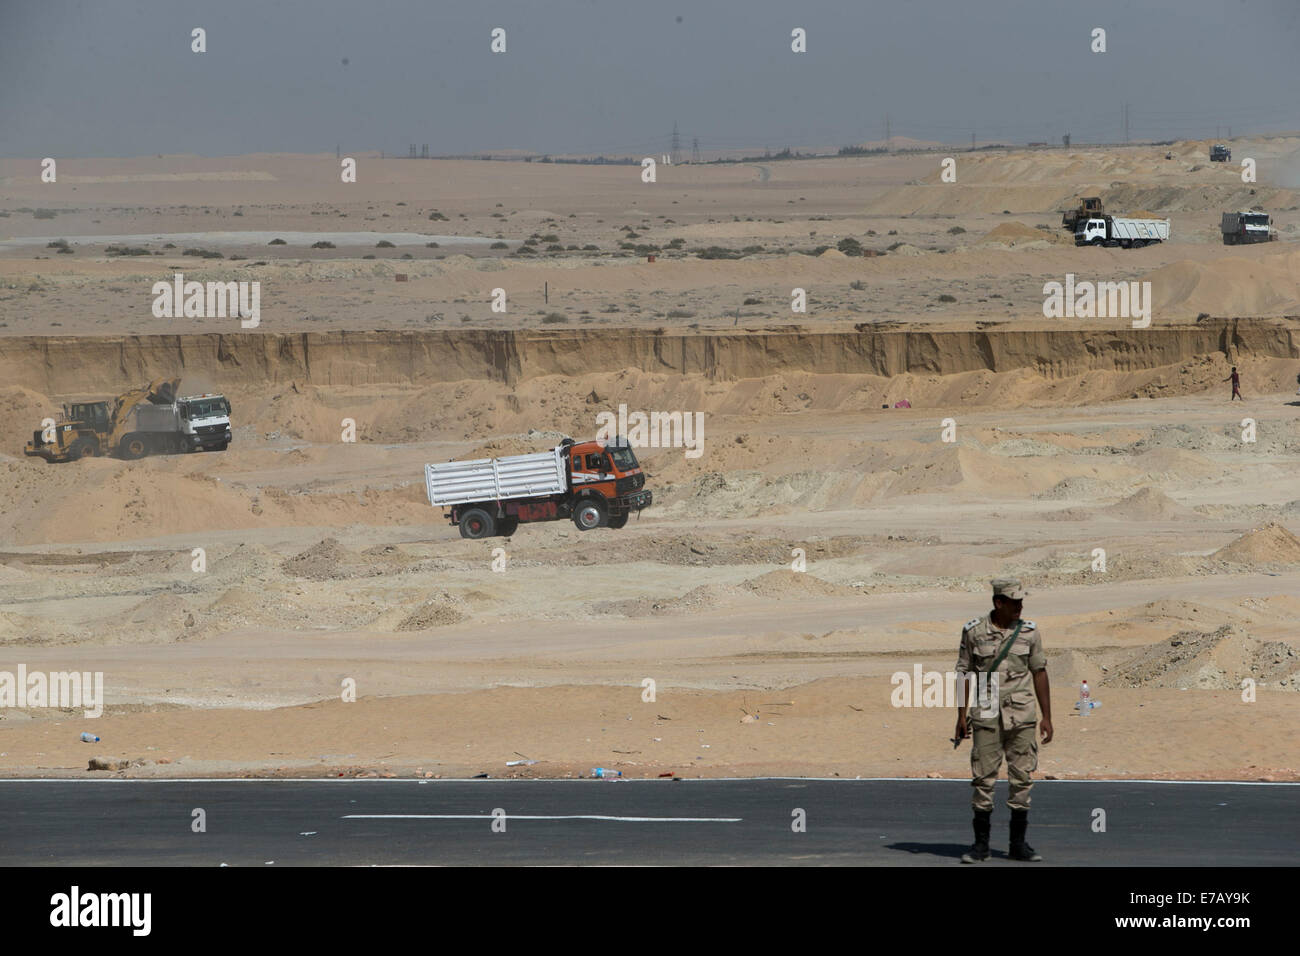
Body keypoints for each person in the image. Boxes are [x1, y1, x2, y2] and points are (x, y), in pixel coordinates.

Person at [954, 579, 1053, 863]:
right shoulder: (973, 632)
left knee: (1021, 778)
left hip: (1021, 715)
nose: (1019, 607)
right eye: (1014, 602)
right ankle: (980, 846)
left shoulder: (1030, 634)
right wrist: (960, 716)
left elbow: (1040, 673)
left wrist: (1047, 716)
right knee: (983, 779)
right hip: (986, 712)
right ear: (999, 603)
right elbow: (964, 674)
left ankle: (1018, 845)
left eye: (1022, 602)